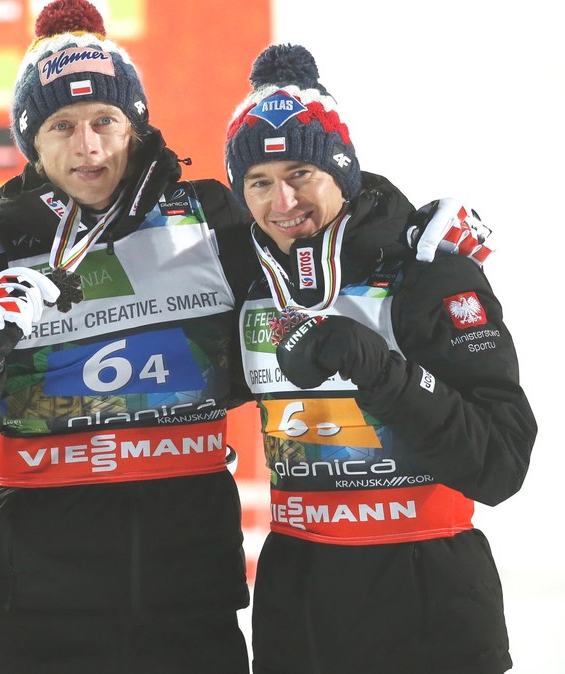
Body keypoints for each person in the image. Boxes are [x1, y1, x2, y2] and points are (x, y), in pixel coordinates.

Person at [0, 1, 259, 670]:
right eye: (61, 125)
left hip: (191, 601)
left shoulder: (212, 219)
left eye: (105, 122)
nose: (88, 146)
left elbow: (315, 280)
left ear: (136, 125)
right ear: (31, 142)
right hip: (39, 612)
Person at [224, 44, 535, 674]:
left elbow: (501, 463)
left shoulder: (427, 269)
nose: (282, 201)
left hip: (428, 593)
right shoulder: (243, 280)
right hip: (297, 592)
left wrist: (381, 371)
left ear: (341, 170)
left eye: (300, 175)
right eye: (259, 183)